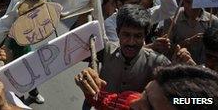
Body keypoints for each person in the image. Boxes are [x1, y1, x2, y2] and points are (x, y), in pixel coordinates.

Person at [75, 65, 218, 110]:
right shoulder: (130, 100)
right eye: (144, 93)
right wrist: (89, 84)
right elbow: (104, 101)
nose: (133, 103)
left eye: (149, 107)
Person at [99, 4, 171, 94]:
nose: (131, 42)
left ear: (145, 35)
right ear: (118, 33)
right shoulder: (105, 51)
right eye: (126, 35)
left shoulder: (158, 62)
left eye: (137, 36)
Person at [163, 0, 218, 64]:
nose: (191, 7)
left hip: (205, 70)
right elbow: (165, 49)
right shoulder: (172, 19)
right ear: (183, 1)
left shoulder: (213, 21)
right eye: (188, 2)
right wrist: (186, 43)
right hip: (178, 68)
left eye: (195, 3)